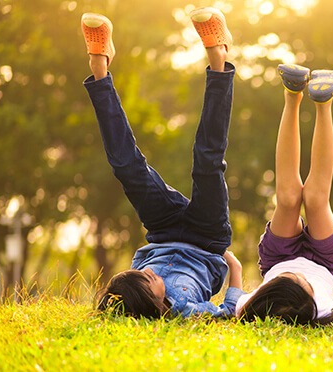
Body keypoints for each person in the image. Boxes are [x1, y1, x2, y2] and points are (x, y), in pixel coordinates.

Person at [88, 7, 245, 318]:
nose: (147, 274)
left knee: (127, 168)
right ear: (157, 304)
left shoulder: (126, 298)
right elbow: (229, 313)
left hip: (162, 230)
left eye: (141, 276)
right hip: (207, 236)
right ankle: (219, 59)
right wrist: (235, 268)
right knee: (207, 162)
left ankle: (99, 68)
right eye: (148, 281)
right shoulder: (186, 311)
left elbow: (117, 298)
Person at [233, 64, 333, 325]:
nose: (297, 276)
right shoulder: (320, 311)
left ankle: (292, 93)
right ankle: (324, 103)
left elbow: (229, 304)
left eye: (290, 280)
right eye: (300, 284)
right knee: (316, 199)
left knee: (287, 198)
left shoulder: (250, 306)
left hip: (278, 257)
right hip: (326, 263)